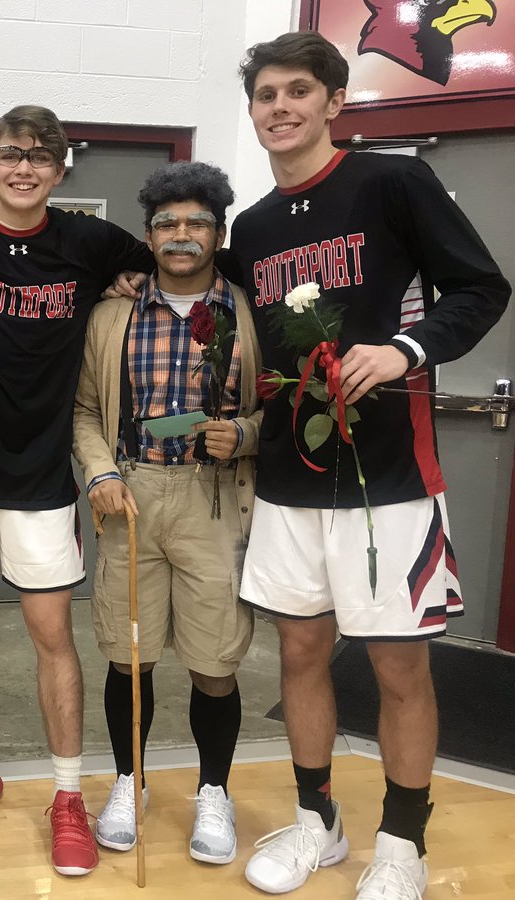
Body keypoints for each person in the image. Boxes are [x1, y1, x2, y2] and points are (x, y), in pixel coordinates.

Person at [230, 32, 510, 899]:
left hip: (389, 477)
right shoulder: (253, 226)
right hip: (289, 479)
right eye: (266, 95)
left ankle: (403, 843)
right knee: (302, 651)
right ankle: (319, 821)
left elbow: (481, 288)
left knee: (396, 665)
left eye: (297, 92)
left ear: (334, 102)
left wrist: (406, 350)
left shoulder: (394, 180)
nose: (280, 108)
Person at [0, 106, 154, 877]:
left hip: (44, 476)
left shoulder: (89, 242)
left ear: (61, 167)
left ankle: (69, 796)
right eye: (11, 154)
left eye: (42, 156)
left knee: (53, 637)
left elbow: (172, 264)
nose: (25, 167)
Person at [73, 161, 260, 866]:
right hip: (133, 498)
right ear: (148, 236)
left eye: (197, 223)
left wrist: (243, 434)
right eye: (167, 224)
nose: (182, 235)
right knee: (131, 655)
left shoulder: (247, 310)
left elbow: (278, 404)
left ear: (218, 232)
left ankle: (215, 789)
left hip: (215, 499)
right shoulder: (111, 313)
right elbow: (87, 411)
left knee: (216, 661)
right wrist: (98, 472)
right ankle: (130, 781)